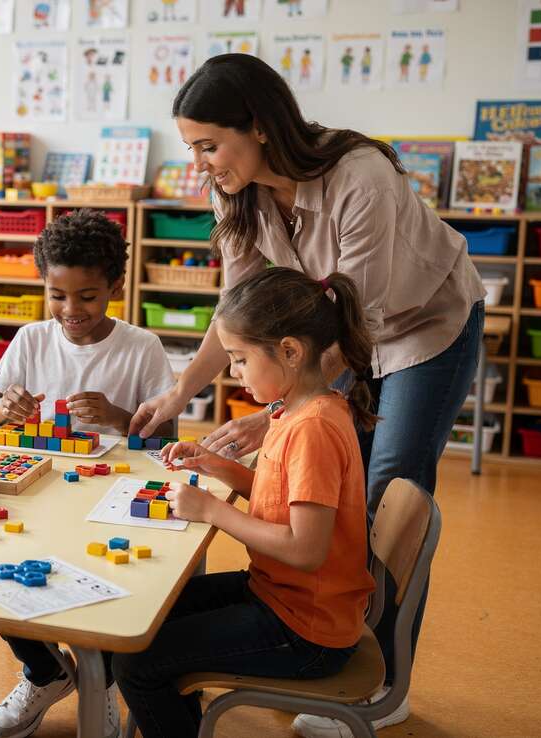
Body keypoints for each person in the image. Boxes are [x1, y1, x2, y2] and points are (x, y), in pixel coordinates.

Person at [130, 54, 484, 736]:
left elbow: (350, 325)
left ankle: (377, 683)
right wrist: (180, 391)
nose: (201, 162)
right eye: (192, 148)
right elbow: (239, 314)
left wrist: (279, 418)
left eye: (209, 145)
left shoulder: (359, 178)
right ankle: (325, 650)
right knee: (334, 488)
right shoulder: (233, 190)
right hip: (327, 343)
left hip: (419, 328)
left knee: (390, 490)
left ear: (258, 126)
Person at [113, 268, 375, 738]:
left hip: (306, 630)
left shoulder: (312, 428)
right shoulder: (294, 409)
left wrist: (214, 511)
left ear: (290, 352)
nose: (233, 372)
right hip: (283, 596)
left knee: (137, 663)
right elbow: (282, 500)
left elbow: (305, 549)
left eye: (238, 359)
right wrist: (218, 466)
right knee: (148, 610)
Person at [0, 210, 175, 738]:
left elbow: (166, 437)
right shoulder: (31, 339)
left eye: (87, 296)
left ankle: (102, 677)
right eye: (57, 295)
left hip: (110, 495)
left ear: (116, 285)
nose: (71, 310)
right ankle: (45, 671)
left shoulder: (141, 348)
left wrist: (116, 417)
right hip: (34, 483)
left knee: (115, 580)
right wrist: (5, 410)